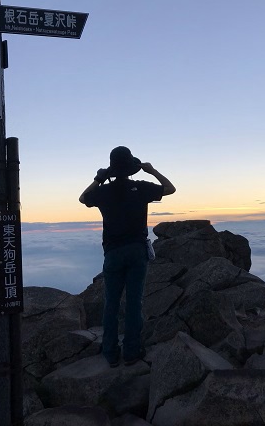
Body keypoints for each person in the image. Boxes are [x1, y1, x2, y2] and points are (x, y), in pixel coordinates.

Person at [79, 146, 176, 367]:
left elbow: (83, 198)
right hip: (136, 252)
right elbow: (170, 189)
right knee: (134, 303)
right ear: (132, 167)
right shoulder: (140, 188)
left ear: (112, 169)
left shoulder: (103, 192)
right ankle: (132, 352)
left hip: (113, 253)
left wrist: (99, 178)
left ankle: (110, 353)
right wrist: (151, 171)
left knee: (111, 304)